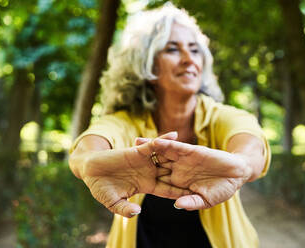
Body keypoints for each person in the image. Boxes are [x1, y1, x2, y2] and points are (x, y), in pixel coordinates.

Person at [69, 3, 271, 248]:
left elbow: (250, 144)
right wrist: (87, 163)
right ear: (147, 64)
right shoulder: (128, 122)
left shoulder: (222, 117)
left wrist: (242, 165)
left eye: (195, 50)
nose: (189, 59)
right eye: (173, 49)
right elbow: (92, 144)